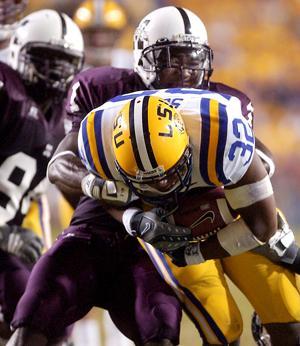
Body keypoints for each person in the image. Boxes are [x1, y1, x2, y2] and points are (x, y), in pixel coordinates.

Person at [8, 5, 300, 346]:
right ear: (143, 58)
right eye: (171, 59)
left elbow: (257, 176)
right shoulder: (107, 103)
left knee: (289, 321)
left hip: (215, 215)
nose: (186, 71)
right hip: (158, 226)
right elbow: (63, 163)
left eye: (192, 58)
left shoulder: (222, 114)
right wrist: (109, 194)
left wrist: (276, 238)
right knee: (221, 328)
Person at [0, 8, 84, 344]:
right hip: (5, 235)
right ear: (17, 50)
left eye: (63, 64)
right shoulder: (7, 94)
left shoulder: (65, 111)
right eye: (44, 60)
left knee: (49, 316)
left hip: (9, 232)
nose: (53, 73)